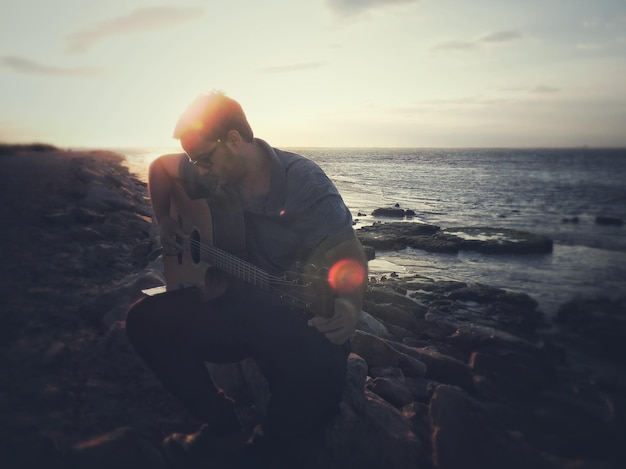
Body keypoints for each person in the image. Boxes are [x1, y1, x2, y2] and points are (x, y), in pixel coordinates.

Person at [125, 90, 367, 468]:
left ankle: (262, 448)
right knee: (144, 321)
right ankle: (223, 426)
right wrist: (165, 220)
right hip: (233, 304)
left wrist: (350, 304)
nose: (199, 170)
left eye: (204, 159)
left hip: (294, 311)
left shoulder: (304, 182)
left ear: (234, 140)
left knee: (318, 398)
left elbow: (346, 250)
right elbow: (159, 168)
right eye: (194, 161)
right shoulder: (212, 174)